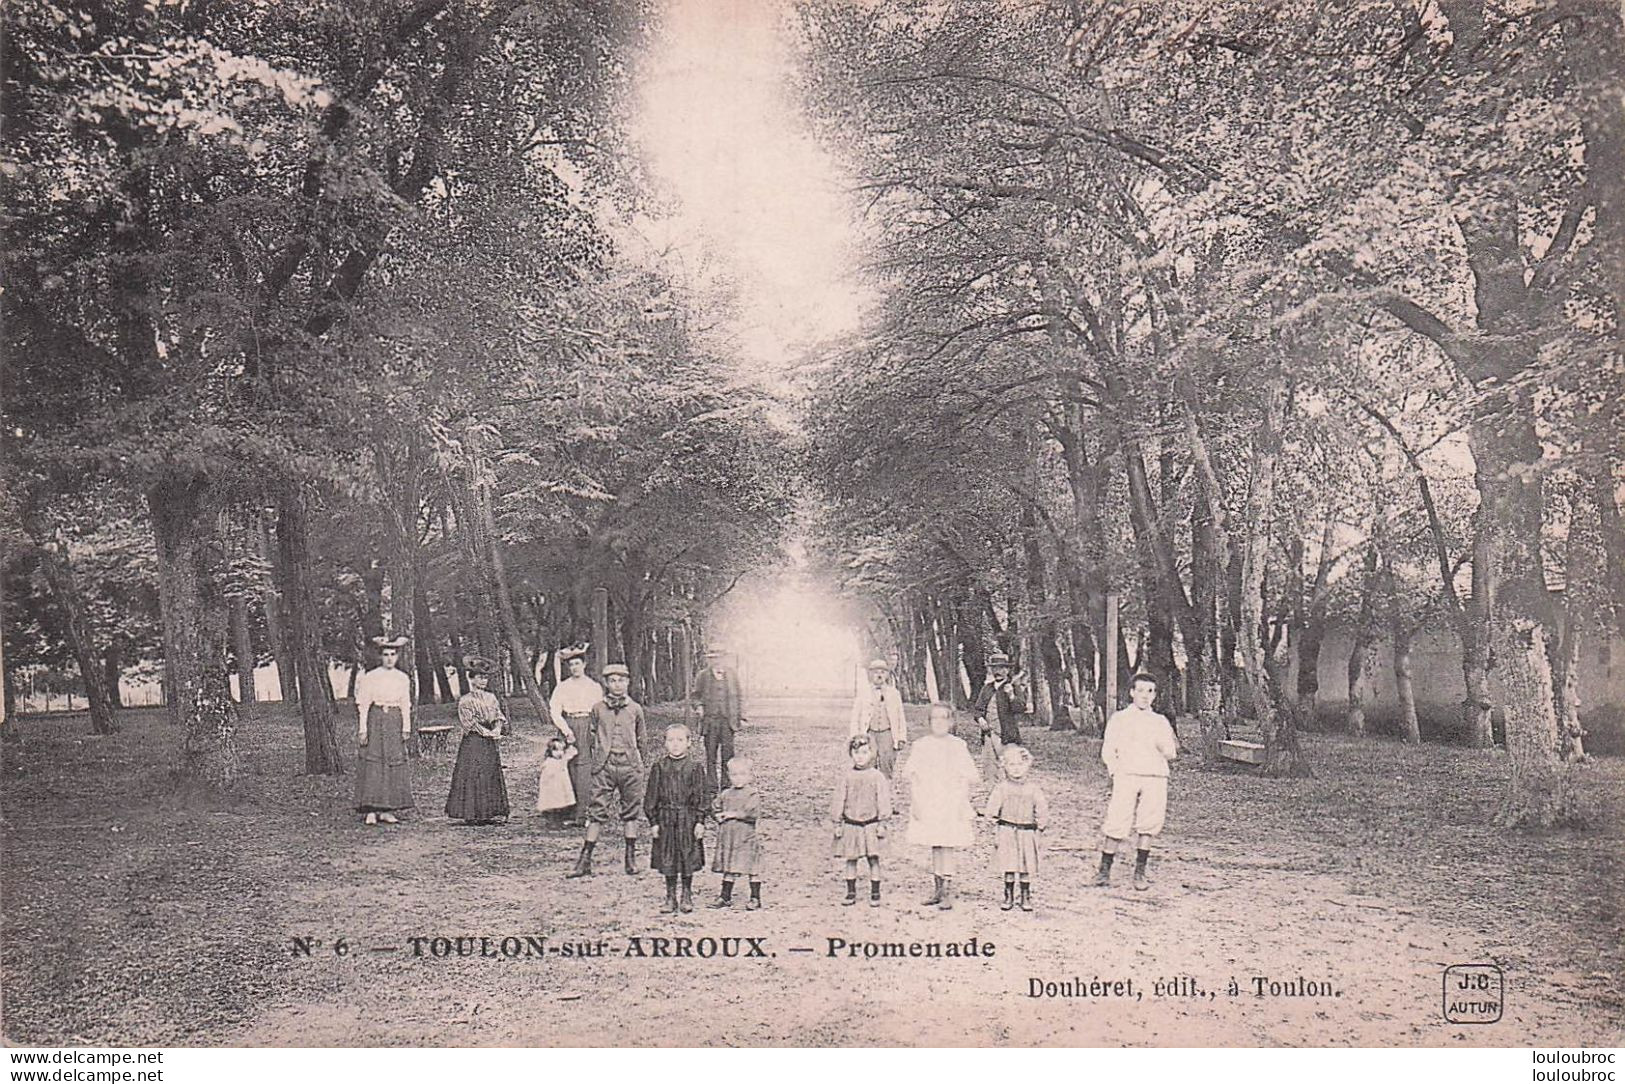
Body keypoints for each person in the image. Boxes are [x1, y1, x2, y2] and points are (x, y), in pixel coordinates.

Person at [1092, 672, 1178, 891]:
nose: (1145, 696)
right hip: (1127, 775)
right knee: (1117, 820)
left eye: (1150, 691)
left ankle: (1139, 872)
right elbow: (1108, 750)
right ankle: (1104, 870)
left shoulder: (1160, 721)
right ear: (1131, 692)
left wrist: (1163, 745)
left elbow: (1171, 753)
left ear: (1155, 695)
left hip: (1155, 776)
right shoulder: (1120, 719)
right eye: (1140, 691)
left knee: (1149, 823)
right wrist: (1116, 772)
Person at [565, 663, 646, 878]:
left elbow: (641, 739)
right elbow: (591, 736)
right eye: (612, 680)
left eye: (621, 680)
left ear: (628, 682)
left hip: (630, 766)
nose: (617, 684)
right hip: (604, 767)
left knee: (631, 811)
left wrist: (638, 765)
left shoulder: (635, 709)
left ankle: (630, 858)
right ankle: (585, 860)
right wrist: (598, 760)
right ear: (606, 684)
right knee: (597, 812)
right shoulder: (598, 708)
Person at [902, 701, 980, 910]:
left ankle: (947, 889)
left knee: (948, 844)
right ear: (929, 722)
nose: (939, 722)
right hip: (929, 800)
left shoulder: (957, 745)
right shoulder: (921, 745)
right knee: (935, 843)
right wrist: (916, 802)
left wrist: (960, 798)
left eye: (943, 718)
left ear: (951, 722)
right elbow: (913, 776)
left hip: (950, 801)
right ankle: (937, 888)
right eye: (934, 718)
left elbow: (968, 776)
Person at [644, 722, 711, 913]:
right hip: (666, 819)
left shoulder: (695, 768)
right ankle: (670, 895)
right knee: (668, 857)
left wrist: (700, 820)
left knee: (687, 855)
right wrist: (654, 821)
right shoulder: (659, 767)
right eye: (671, 740)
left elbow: (701, 796)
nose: (675, 744)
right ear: (665, 743)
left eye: (680, 740)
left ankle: (687, 894)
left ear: (689, 743)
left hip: (687, 818)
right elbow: (651, 797)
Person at [354, 635, 415, 826]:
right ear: (381, 656)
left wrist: (406, 727)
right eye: (386, 654)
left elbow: (406, 703)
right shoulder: (371, 677)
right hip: (376, 718)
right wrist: (363, 729)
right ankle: (371, 809)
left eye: (393, 655)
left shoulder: (402, 678)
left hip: (394, 720)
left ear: (397, 657)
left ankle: (388, 809)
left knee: (393, 762)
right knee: (374, 762)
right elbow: (363, 704)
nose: (389, 658)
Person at [444, 656, 510, 825]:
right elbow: (470, 723)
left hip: (489, 742)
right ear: (471, 678)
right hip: (474, 741)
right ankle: (472, 813)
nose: (483, 680)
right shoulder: (465, 700)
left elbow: (498, 715)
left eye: (485, 677)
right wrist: (486, 733)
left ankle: (489, 812)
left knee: (489, 771)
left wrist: (496, 728)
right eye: (479, 677)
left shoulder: (491, 698)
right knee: (474, 773)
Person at [828, 734, 892, 907]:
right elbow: (839, 799)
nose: (860, 756)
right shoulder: (846, 776)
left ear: (871, 753)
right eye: (856, 753)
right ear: (851, 754)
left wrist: (882, 823)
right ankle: (850, 891)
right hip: (851, 824)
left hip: (870, 825)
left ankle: (875, 892)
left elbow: (883, 800)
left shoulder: (877, 776)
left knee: (873, 859)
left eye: (864, 752)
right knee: (851, 859)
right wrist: (837, 823)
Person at [982, 743, 1047, 911]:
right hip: (1007, 831)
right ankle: (1008, 894)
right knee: (1009, 863)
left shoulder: (1033, 789)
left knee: (1025, 864)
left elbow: (1041, 807)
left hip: (1027, 831)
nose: (1016, 769)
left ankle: (1025, 894)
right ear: (1005, 766)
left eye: (1020, 765)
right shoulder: (1002, 788)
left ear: (1027, 766)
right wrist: (993, 823)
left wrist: (1041, 824)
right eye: (1012, 765)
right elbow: (992, 808)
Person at [548, 645, 600, 827]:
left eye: (578, 663)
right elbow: (555, 711)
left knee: (584, 769)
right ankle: (566, 812)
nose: (575, 668)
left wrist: (594, 731)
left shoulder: (593, 687)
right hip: (568, 725)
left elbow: (598, 710)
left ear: (584, 664)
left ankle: (583, 813)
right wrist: (566, 731)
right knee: (565, 768)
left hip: (587, 725)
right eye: (571, 665)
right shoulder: (562, 687)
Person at [709, 756, 763, 910]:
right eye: (734, 774)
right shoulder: (726, 794)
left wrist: (732, 814)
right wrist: (717, 815)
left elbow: (752, 813)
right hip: (729, 837)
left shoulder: (752, 794)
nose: (738, 778)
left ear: (750, 776)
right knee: (729, 866)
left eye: (742, 774)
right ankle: (725, 896)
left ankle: (755, 897)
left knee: (752, 867)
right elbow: (715, 806)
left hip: (746, 837)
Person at [692, 648, 744, 792]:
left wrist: (739, 715)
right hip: (710, 722)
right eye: (713, 658)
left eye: (719, 658)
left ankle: (727, 784)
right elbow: (695, 696)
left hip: (728, 723)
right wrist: (699, 707)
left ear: (724, 659)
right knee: (711, 755)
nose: (716, 661)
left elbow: (739, 696)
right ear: (709, 660)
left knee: (728, 755)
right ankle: (711, 785)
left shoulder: (733, 675)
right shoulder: (702, 676)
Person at [848, 657, 906, 777]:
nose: (879, 675)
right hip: (869, 733)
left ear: (887, 675)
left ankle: (885, 791)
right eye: (875, 672)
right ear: (870, 675)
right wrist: (855, 736)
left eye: (882, 672)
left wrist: (901, 738)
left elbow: (900, 717)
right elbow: (856, 716)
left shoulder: (894, 694)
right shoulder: (863, 693)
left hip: (887, 734)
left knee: (887, 763)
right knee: (868, 762)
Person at [972, 652, 1022, 768]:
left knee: (1011, 769)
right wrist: (980, 719)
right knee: (989, 769)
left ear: (1007, 670)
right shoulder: (987, 688)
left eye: (1001, 668)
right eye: (995, 668)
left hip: (1008, 736)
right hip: (989, 735)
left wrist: (1011, 695)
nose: (998, 671)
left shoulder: (1014, 687)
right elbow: (978, 709)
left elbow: (1020, 708)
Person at [534, 737, 577, 826]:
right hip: (552, 786)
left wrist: (571, 744)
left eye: (561, 750)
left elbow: (572, 753)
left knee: (561, 802)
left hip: (561, 786)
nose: (559, 753)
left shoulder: (561, 760)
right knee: (552, 802)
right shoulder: (550, 762)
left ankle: (559, 819)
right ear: (550, 751)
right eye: (556, 750)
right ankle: (552, 820)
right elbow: (548, 775)